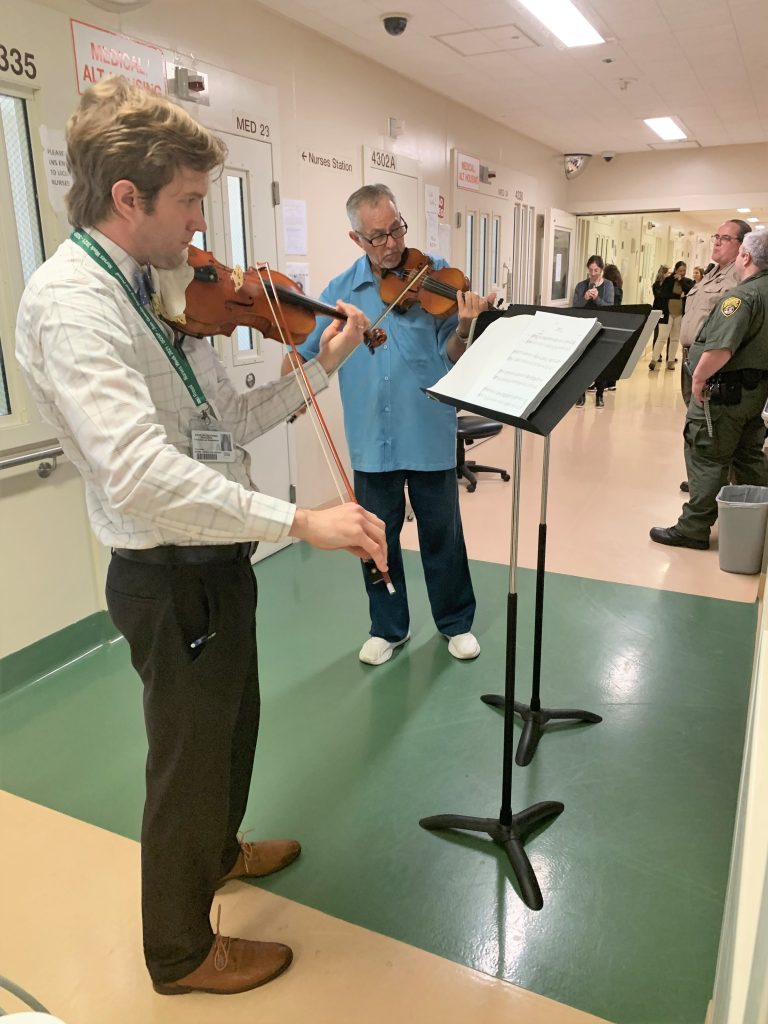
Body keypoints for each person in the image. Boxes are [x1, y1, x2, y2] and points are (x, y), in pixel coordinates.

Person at [15, 78, 387, 997]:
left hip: (217, 560)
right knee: (186, 763)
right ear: (127, 197)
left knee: (231, 729)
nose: (199, 223)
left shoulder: (156, 287)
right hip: (167, 573)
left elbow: (218, 425)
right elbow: (140, 472)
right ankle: (180, 952)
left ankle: (218, 851)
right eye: (187, 200)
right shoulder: (74, 306)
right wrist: (300, 520)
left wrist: (320, 365)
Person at [285, 183, 493, 667]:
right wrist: (292, 386)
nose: (393, 244)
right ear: (356, 239)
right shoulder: (339, 293)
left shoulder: (435, 276)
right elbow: (306, 352)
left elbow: (452, 355)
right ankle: (388, 627)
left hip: (428, 430)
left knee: (442, 535)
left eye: (396, 229)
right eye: (378, 236)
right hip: (370, 439)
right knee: (375, 539)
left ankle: (455, 622)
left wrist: (465, 325)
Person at [650, 230, 768, 550]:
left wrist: (699, 378)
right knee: (747, 456)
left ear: (746, 256)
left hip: (727, 393)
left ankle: (694, 527)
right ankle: (756, 521)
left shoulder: (742, 297)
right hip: (755, 394)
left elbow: (721, 348)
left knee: (707, 454)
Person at [677, 220, 752, 491]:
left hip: (712, 364)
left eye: (725, 238)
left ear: (741, 246)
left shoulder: (739, 278)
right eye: (716, 236)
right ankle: (701, 481)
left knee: (713, 429)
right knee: (695, 426)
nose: (717, 242)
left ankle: (717, 488)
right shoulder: (710, 273)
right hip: (690, 360)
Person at [573, 254, 615, 407]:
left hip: (601, 327)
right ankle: (580, 394)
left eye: (596, 270)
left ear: (601, 269)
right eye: (590, 270)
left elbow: (610, 307)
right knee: (581, 362)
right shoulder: (581, 286)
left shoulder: (608, 285)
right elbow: (575, 307)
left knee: (600, 362)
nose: (592, 273)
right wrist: (584, 298)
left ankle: (599, 394)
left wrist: (597, 298)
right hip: (584, 327)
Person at [649, 260, 693, 370]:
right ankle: (654, 359)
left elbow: (690, 291)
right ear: (675, 270)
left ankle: (671, 360)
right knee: (662, 337)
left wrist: (681, 281)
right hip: (667, 312)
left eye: (684, 270)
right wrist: (678, 294)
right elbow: (663, 294)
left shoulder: (687, 281)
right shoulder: (668, 280)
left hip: (679, 313)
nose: (682, 272)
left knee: (675, 338)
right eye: (680, 270)